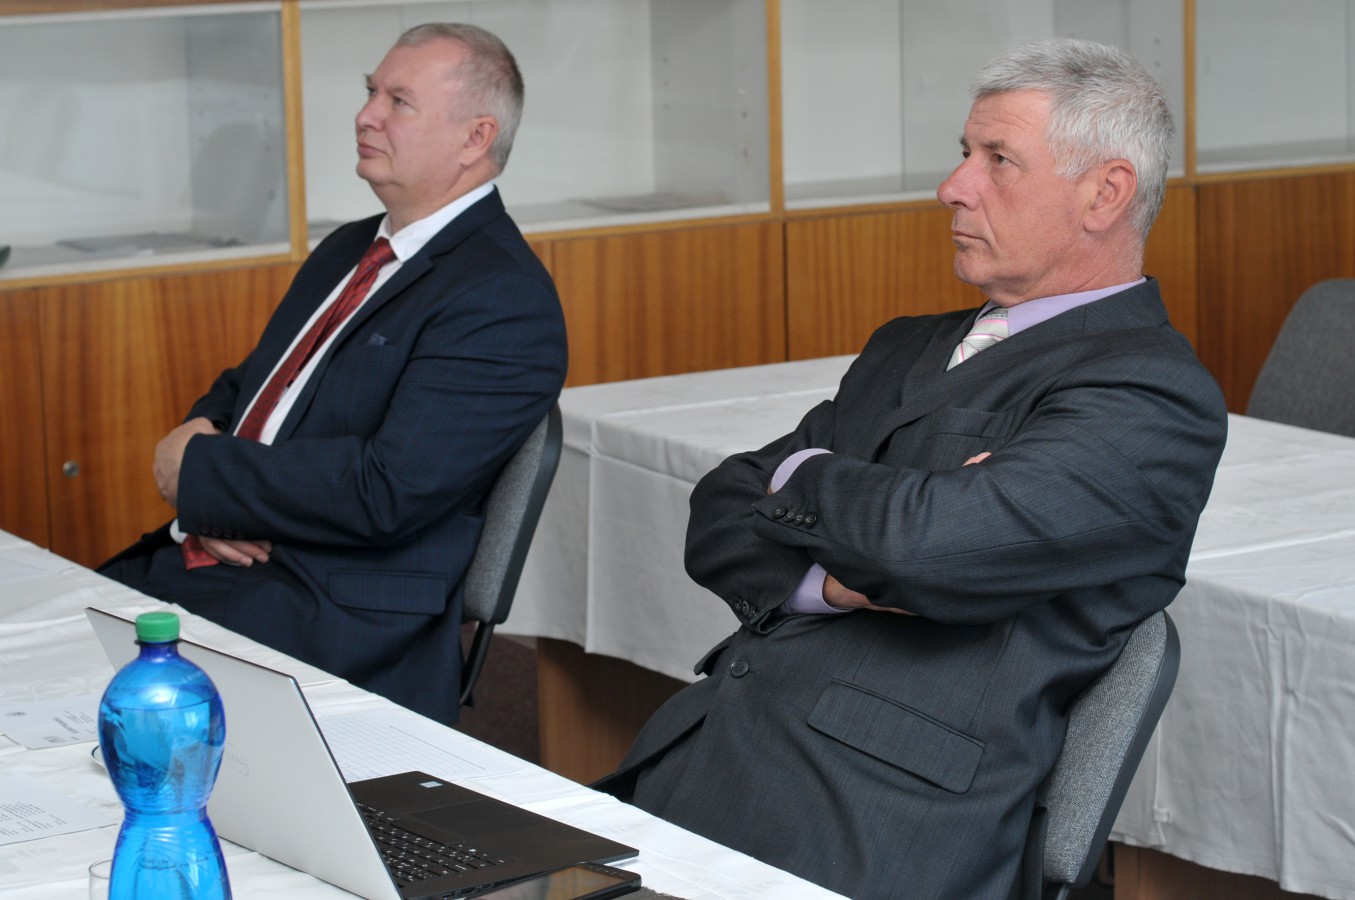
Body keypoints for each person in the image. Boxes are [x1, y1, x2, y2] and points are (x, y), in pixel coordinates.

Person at [594, 39, 1227, 899]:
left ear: (1104, 193)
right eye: (963, 153)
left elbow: (925, 548)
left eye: (997, 159)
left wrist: (800, 472)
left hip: (871, 827)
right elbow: (716, 515)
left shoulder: (1150, 392)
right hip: (707, 751)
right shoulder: (904, 346)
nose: (952, 187)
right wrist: (839, 572)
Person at [100, 23, 567, 727]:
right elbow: (254, 385)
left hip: (326, 614)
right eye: (370, 92)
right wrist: (201, 437)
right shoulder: (352, 246)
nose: (365, 115)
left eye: (398, 101)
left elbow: (388, 492)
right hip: (224, 566)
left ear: (476, 138)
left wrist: (203, 479)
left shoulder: (503, 298)